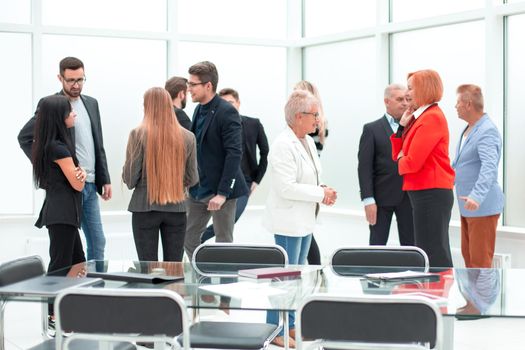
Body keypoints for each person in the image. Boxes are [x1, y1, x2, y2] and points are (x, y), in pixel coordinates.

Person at [263, 90, 337, 348]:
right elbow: (286, 187)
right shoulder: (283, 144)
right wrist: (320, 193)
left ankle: (290, 325)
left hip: (304, 220)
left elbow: (308, 176)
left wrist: (323, 188)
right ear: (298, 116)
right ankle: (274, 329)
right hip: (288, 222)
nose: (318, 120)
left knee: (295, 279)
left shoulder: (306, 141)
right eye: (314, 115)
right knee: (282, 279)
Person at [18, 56, 111, 261]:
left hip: (90, 183)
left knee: (97, 241)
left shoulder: (91, 103)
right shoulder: (52, 104)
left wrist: (105, 178)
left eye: (80, 79)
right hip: (69, 187)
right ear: (60, 78)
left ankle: (94, 288)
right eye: (71, 80)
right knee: (66, 249)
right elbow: (26, 137)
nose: (76, 85)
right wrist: (48, 165)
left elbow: (98, 144)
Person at [122, 87, 198, 261]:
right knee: (174, 268)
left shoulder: (138, 134)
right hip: (177, 209)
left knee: (147, 268)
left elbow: (130, 179)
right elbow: (192, 178)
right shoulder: (188, 137)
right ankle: (174, 290)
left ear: (148, 107)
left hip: (144, 208)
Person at [183, 61, 249, 259]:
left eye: (193, 84)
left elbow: (234, 154)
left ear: (208, 86)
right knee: (188, 238)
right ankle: (203, 278)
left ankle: (223, 286)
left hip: (221, 192)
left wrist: (222, 193)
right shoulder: (198, 109)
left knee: (223, 242)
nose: (188, 89)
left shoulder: (226, 111)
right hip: (197, 189)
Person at [390, 69, 455, 268]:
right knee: (428, 250)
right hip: (423, 193)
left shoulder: (431, 117)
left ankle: (441, 296)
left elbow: (410, 163)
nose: (406, 93)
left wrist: (402, 159)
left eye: (410, 88)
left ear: (424, 89)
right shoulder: (419, 118)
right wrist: (401, 127)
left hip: (431, 192)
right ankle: (436, 295)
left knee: (434, 252)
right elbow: (397, 156)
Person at [200, 87, 269, 243]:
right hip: (217, 182)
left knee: (230, 221)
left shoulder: (254, 124)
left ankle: (198, 239)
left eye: (230, 102)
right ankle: (195, 243)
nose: (227, 106)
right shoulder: (213, 124)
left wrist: (257, 180)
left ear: (238, 103)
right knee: (215, 223)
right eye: (223, 103)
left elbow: (265, 153)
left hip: (243, 183)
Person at [32, 95, 86, 274]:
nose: (74, 114)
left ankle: (67, 302)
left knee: (77, 262)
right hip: (62, 213)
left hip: (63, 213)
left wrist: (80, 173)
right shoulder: (59, 149)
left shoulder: (49, 145)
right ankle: (53, 302)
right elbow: (78, 185)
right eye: (70, 111)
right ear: (59, 117)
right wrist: (83, 174)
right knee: (61, 267)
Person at [452, 84, 504, 268]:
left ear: (467, 104)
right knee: (469, 260)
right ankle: (471, 298)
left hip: (481, 206)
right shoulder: (469, 129)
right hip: (467, 207)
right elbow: (461, 164)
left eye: (457, 102)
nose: (455, 106)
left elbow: (489, 167)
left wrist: (476, 195)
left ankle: (482, 298)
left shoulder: (487, 130)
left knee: (480, 264)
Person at [358, 84, 414, 246]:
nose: (404, 103)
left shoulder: (414, 127)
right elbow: (364, 168)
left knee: (411, 246)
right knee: (377, 244)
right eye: (399, 99)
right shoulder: (371, 129)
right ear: (387, 102)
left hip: (409, 197)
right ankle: (374, 272)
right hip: (380, 199)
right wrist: (368, 200)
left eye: (406, 99)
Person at [292, 80, 328, 265]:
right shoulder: (319, 124)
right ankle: (316, 270)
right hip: (308, 183)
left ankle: (316, 270)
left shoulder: (311, 128)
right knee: (306, 231)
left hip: (305, 184)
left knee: (305, 233)